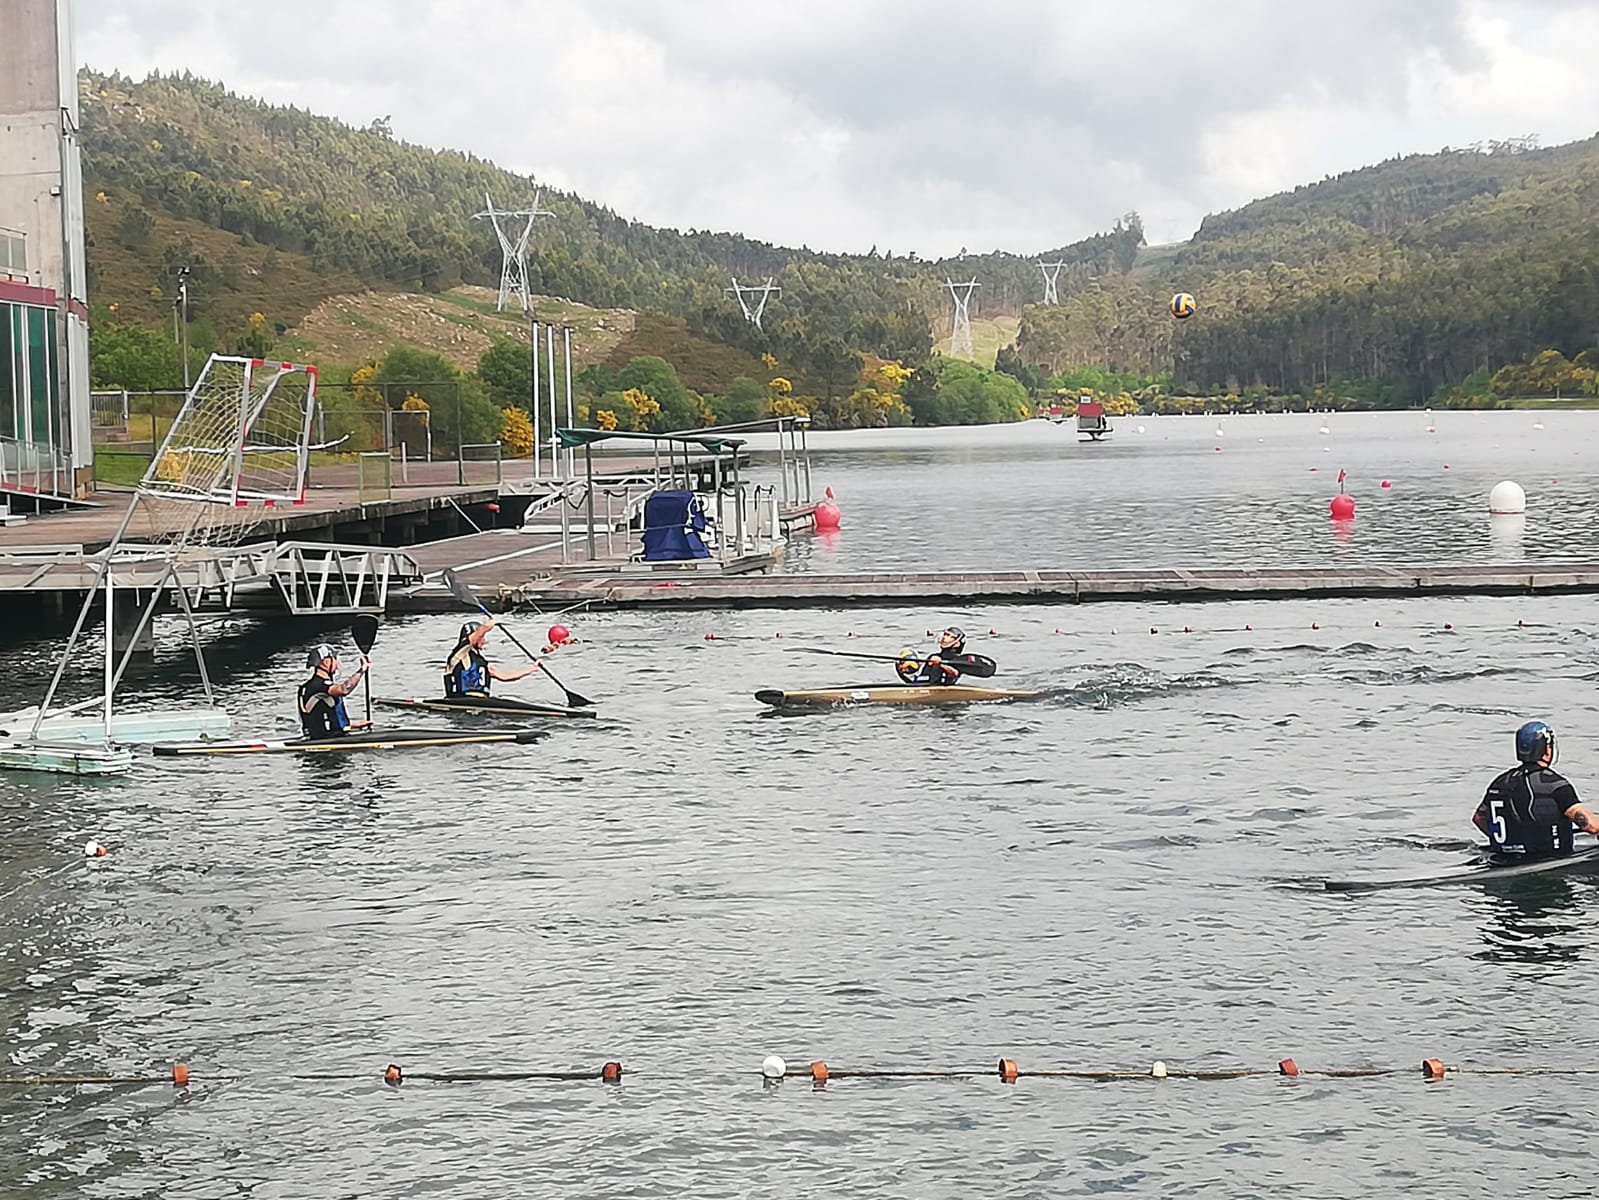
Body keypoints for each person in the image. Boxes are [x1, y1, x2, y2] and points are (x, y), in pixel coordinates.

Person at [1473, 721, 1599, 858]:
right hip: (1548, 860)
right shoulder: (1554, 783)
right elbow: (1590, 826)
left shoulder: (1500, 782)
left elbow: (1479, 818)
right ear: (1546, 750)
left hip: (1502, 861)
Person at [443, 618, 541, 698]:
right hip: (460, 700)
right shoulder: (458, 654)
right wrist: (490, 624)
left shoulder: (482, 662)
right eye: (482, 637)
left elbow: (505, 676)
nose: (484, 640)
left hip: (482, 702)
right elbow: (475, 637)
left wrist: (531, 669)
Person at [299, 643, 369, 738]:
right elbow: (344, 690)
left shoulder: (314, 685)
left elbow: (326, 718)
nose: (337, 664)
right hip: (325, 740)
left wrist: (353, 726)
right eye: (335, 659)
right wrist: (362, 670)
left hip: (328, 736)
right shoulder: (317, 685)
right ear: (326, 662)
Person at [895, 626, 974, 685]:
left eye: (948, 636)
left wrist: (940, 664)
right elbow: (915, 683)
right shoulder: (933, 656)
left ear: (957, 643)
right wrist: (900, 671)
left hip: (941, 692)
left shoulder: (958, 660)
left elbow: (955, 674)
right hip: (922, 689)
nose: (944, 638)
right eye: (945, 635)